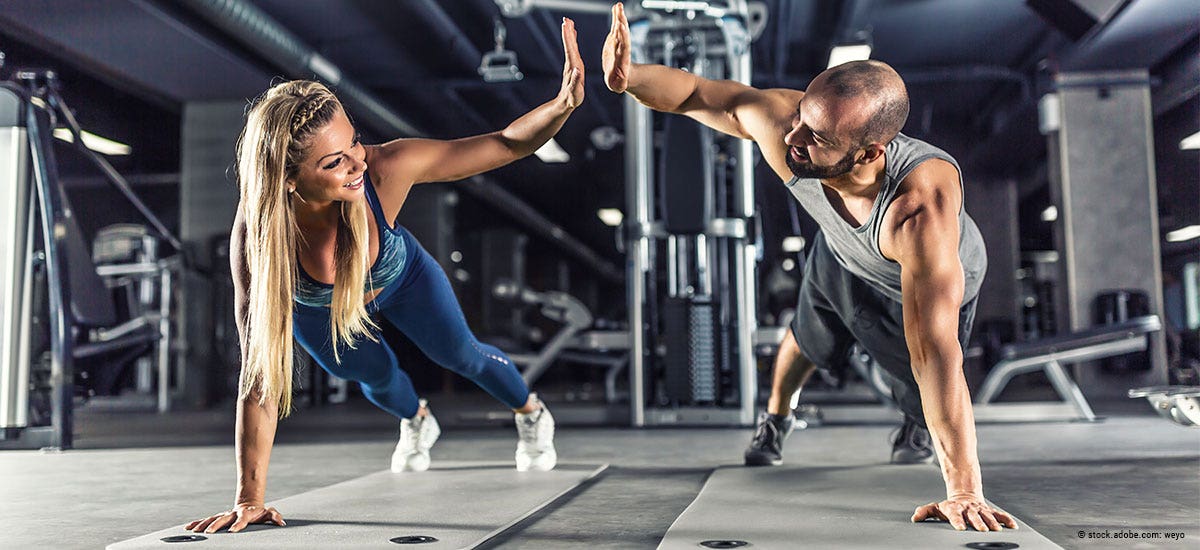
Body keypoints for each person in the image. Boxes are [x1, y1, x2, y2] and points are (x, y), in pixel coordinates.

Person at [601, 3, 1015, 532]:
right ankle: (775, 420)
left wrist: (963, 490)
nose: (792, 141)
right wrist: (631, 78)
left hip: (908, 273)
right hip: (841, 250)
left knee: (919, 381)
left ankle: (913, 423)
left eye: (816, 139)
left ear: (870, 154)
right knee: (803, 336)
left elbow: (933, 349)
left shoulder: (917, 209)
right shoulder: (789, 127)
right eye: (800, 120)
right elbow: (696, 94)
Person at [186, 17, 586, 536]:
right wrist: (249, 498)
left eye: (354, 141)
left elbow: (506, 144)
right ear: (288, 180)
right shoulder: (260, 240)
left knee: (459, 354)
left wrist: (562, 106)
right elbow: (259, 374)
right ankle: (417, 420)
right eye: (334, 162)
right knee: (374, 376)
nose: (355, 162)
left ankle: (531, 412)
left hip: (402, 278)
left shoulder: (384, 170)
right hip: (321, 308)